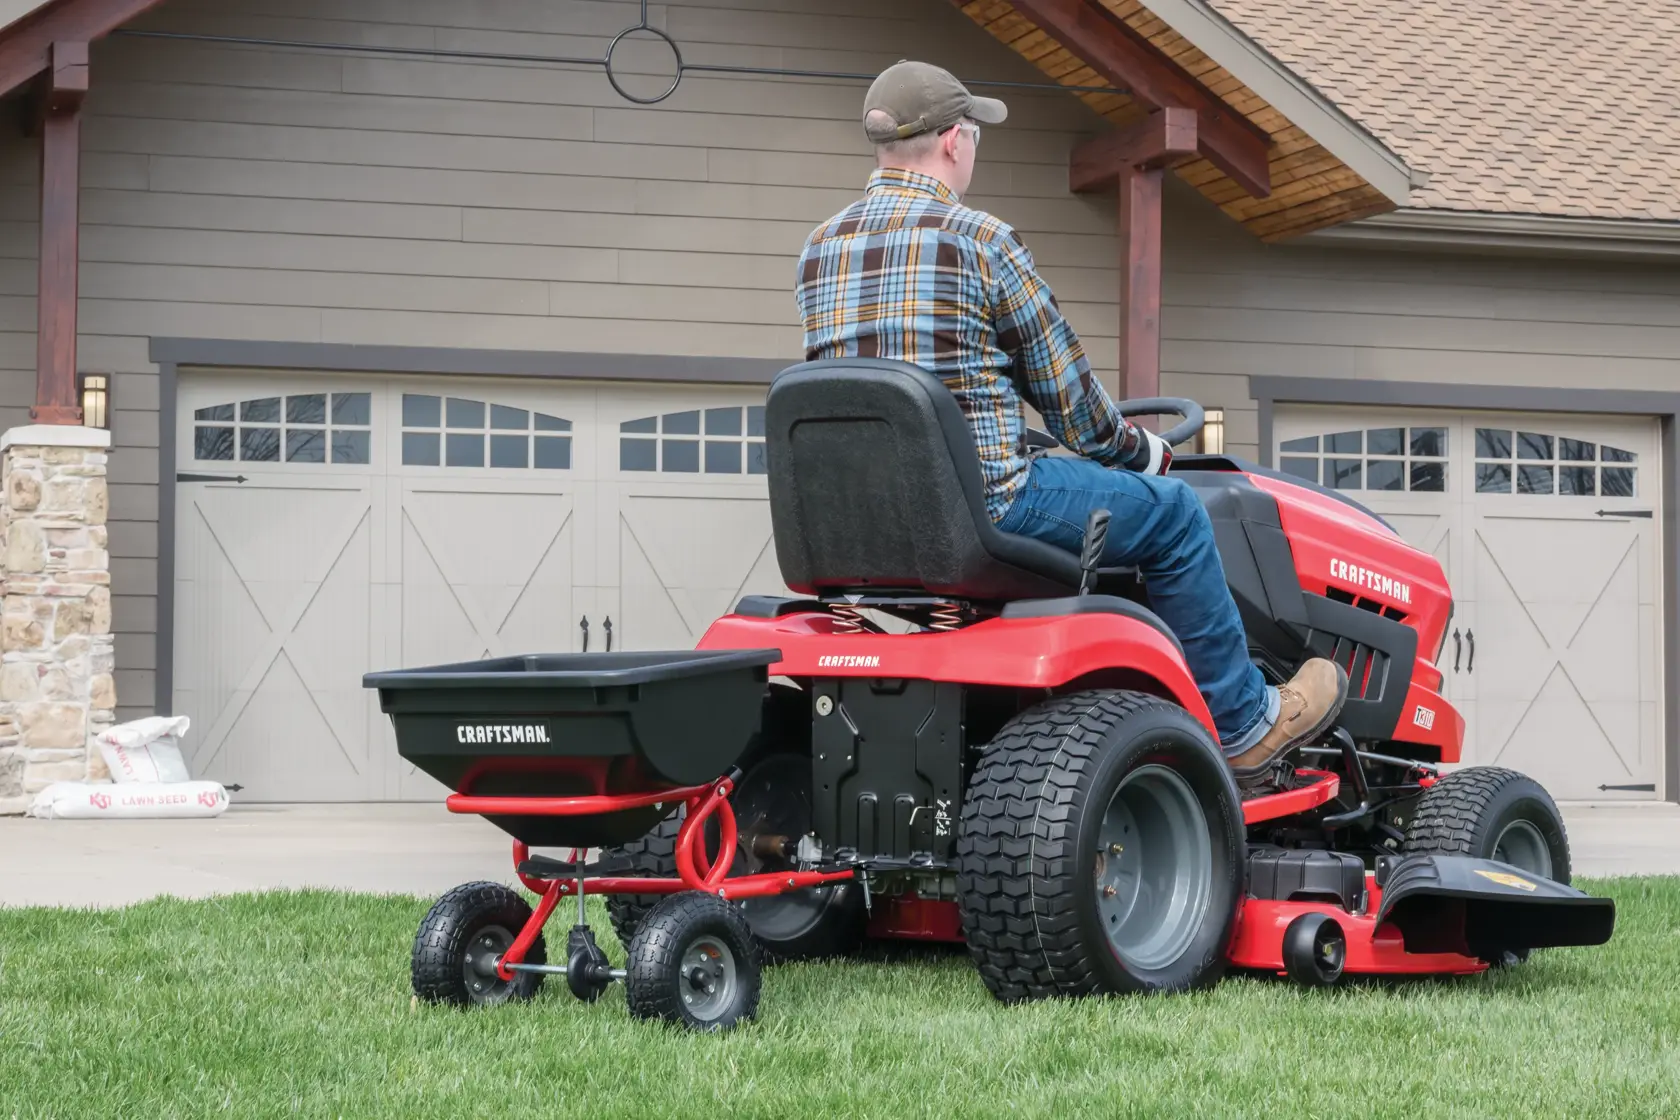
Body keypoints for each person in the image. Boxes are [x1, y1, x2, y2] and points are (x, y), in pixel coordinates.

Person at [793, 60, 1349, 783]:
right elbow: (1077, 412)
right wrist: (1142, 453)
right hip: (986, 507)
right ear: (956, 141)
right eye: (973, 137)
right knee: (1176, 516)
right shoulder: (980, 240)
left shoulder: (819, 249)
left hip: (863, 525)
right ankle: (1244, 721)